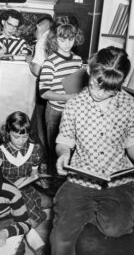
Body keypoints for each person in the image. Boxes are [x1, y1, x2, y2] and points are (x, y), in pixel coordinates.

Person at [50, 46, 134, 255]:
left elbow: (133, 143)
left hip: (117, 180)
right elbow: (64, 141)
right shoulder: (74, 105)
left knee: (117, 230)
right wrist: (63, 155)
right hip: (81, 177)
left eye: (108, 90)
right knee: (60, 238)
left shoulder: (130, 105)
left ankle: (87, 213)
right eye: (95, 86)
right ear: (89, 71)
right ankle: (80, 211)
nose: (99, 94)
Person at [0, 111, 48, 255]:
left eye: (24, 136)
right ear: (8, 132)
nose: (20, 141)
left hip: (26, 189)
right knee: (12, 216)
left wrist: (34, 177)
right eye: (16, 136)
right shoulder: (0, 152)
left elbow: (33, 173)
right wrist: (12, 186)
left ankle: (32, 227)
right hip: (6, 191)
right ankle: (37, 244)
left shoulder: (34, 149)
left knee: (26, 217)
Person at [38, 16, 84, 174]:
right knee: (54, 151)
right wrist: (66, 98)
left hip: (74, 113)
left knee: (70, 149)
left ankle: (64, 180)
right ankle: (53, 183)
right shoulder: (50, 63)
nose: (67, 44)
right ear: (54, 39)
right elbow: (43, 93)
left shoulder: (78, 61)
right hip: (56, 112)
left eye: (71, 39)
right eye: (62, 39)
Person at [26, 15, 53, 165]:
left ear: (39, 27)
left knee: (39, 126)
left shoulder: (42, 40)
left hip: (44, 87)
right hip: (56, 88)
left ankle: (38, 163)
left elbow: (37, 70)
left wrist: (30, 62)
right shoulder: (56, 37)